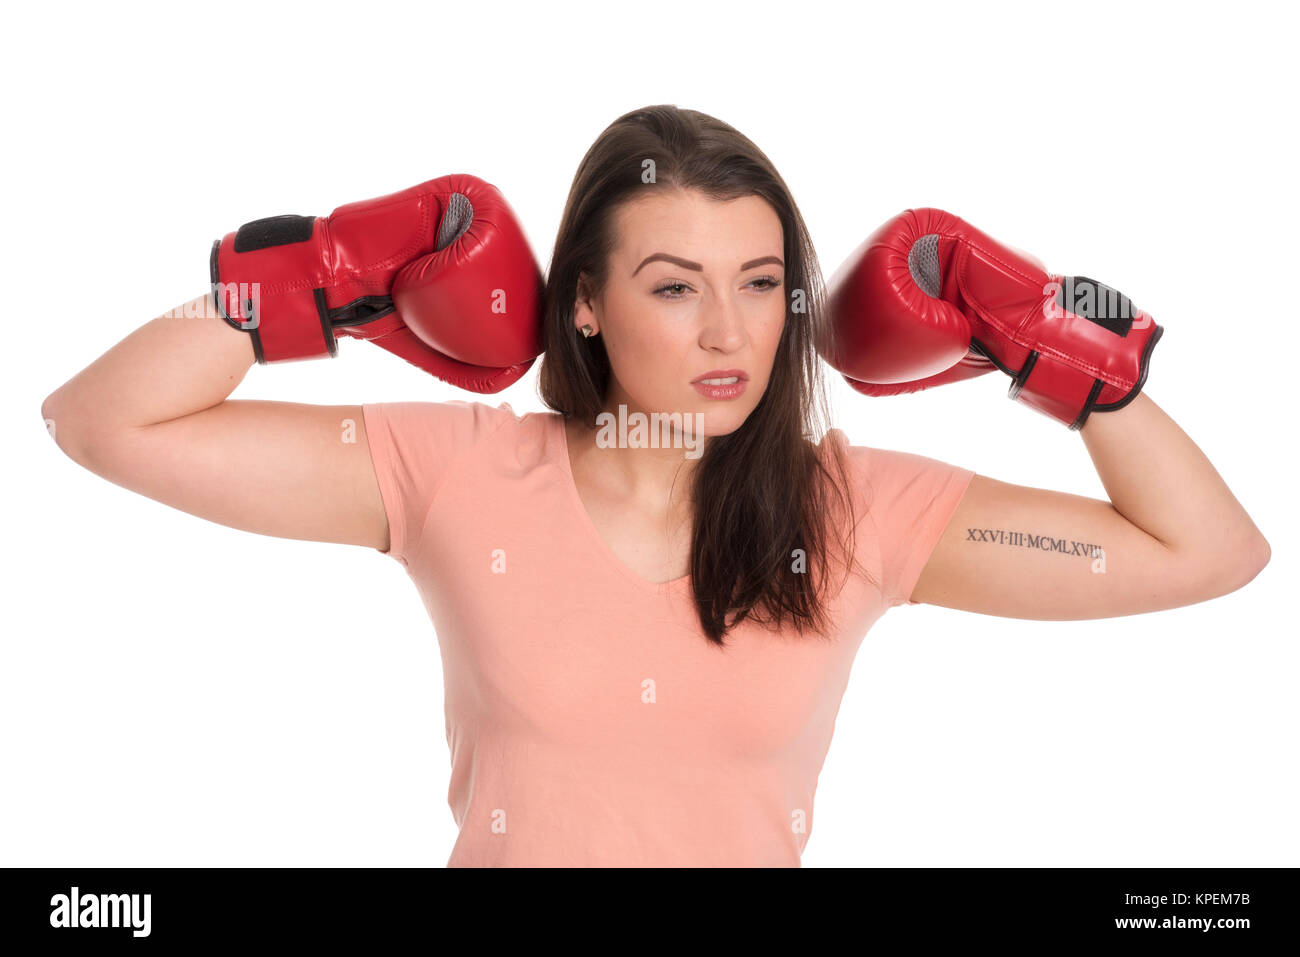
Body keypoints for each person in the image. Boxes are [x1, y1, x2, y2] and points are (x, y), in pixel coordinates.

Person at [41, 104, 1271, 867]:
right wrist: (314, 274)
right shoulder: (454, 471)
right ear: (586, 302)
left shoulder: (858, 511)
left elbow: (1208, 551)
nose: (728, 331)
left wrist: (1059, 338)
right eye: (675, 286)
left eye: (757, 281)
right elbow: (101, 420)